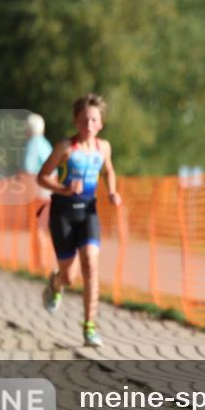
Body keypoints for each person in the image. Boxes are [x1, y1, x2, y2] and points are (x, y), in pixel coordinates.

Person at [37, 94, 122, 348]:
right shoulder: (65, 147)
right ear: (76, 121)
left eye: (93, 119)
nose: (88, 124)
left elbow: (108, 170)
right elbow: (42, 177)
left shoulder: (103, 147)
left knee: (91, 265)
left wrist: (112, 191)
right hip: (63, 213)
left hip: (88, 211)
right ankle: (55, 284)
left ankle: (89, 327)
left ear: (100, 124)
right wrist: (63, 189)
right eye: (84, 119)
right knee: (70, 276)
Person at [22, 113, 54, 272]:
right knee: (43, 228)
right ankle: (42, 262)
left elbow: (28, 170)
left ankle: (40, 264)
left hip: (39, 194)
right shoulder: (45, 144)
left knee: (39, 228)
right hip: (49, 193)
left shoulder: (33, 145)